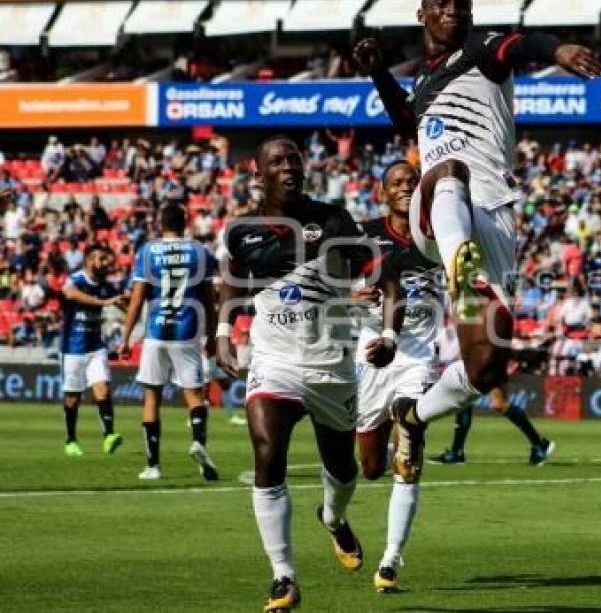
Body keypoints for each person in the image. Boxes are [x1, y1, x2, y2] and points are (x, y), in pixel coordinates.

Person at [353, 0, 601, 482]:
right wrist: (380, 74)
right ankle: (456, 269)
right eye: (441, 3)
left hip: (493, 216)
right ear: (421, 15)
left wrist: (553, 51)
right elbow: (410, 125)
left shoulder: (480, 49)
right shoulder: (427, 75)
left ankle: (414, 416)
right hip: (439, 213)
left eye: (460, 4)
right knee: (448, 171)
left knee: (486, 369)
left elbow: (521, 43)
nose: (452, 10)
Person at [215, 136, 403, 611]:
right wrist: (221, 331)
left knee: (342, 470)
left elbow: (387, 278)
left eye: (294, 159)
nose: (289, 167)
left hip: (330, 365)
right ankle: (283, 576)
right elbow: (231, 283)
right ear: (258, 173)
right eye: (277, 161)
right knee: (266, 451)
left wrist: (390, 335)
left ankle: (334, 518)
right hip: (273, 363)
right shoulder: (242, 231)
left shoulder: (335, 220)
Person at [352, 160, 443, 592]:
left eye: (412, 182)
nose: (406, 187)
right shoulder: (363, 235)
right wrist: (352, 296)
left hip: (417, 357)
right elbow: (326, 284)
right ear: (383, 192)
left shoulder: (441, 233)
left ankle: (390, 561)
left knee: (409, 454)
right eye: (397, 183)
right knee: (371, 467)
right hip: (371, 355)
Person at [119, 202, 219, 482]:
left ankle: (153, 465)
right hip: (187, 332)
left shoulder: (148, 251)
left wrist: (126, 337)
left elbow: (138, 297)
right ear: (185, 223)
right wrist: (211, 337)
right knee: (194, 396)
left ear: (160, 223)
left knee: (152, 396)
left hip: (155, 333)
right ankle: (198, 442)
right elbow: (209, 301)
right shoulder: (201, 252)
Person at [59, 244, 125, 457]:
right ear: (88, 260)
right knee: (72, 397)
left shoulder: (106, 286)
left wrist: (130, 302)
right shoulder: (76, 279)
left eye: (107, 259)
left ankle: (109, 435)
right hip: (72, 347)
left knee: (103, 388)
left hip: (96, 346)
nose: (106, 263)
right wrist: (103, 302)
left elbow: (123, 303)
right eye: (101, 259)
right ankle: (70, 439)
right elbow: (69, 294)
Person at [430, 385, 554, 466]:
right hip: (480, 357)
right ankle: (456, 451)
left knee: (499, 404)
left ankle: (539, 444)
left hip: (492, 358)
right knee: (465, 396)